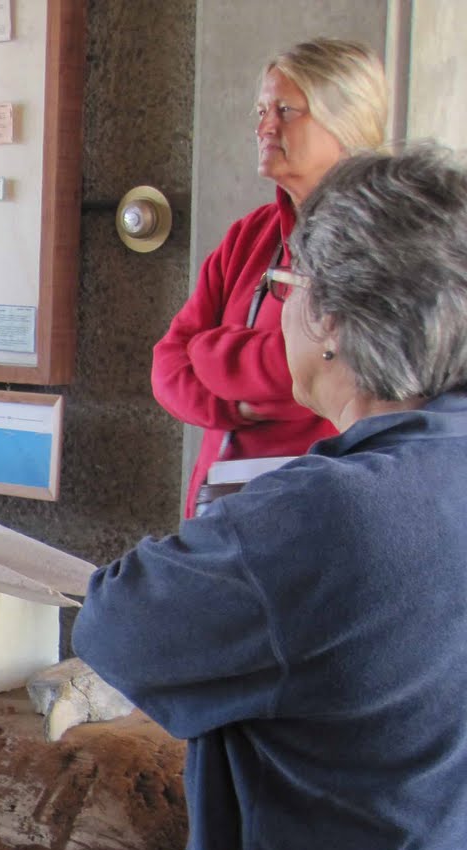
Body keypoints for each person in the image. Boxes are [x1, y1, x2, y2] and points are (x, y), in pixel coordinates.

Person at [74, 144, 467, 850]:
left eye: (285, 287)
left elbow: (118, 624)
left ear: (331, 320)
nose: (276, 307)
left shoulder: (326, 517)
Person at [152, 39, 387, 517]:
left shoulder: (380, 239)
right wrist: (234, 407)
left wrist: (211, 350)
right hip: (219, 511)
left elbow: (317, 366)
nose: (265, 126)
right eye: (260, 110)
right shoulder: (252, 234)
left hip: (313, 512)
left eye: (285, 109)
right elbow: (168, 364)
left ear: (344, 122)